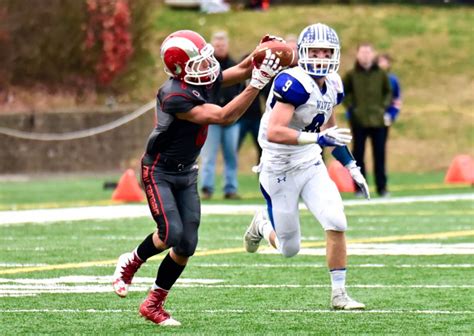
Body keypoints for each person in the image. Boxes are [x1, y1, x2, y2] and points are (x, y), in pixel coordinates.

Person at [112, 30, 282, 327]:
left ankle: (154, 303)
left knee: (187, 244)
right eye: (199, 62)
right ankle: (131, 261)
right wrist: (257, 83)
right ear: (179, 69)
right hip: (160, 171)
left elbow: (241, 69)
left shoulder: (199, 77)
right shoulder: (174, 95)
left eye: (206, 59)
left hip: (187, 171)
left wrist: (264, 50)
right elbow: (223, 116)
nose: (208, 67)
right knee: (170, 234)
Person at [243, 23, 370, 310]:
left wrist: (351, 166)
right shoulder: (292, 82)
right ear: (303, 52)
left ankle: (339, 294)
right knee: (289, 249)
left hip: (310, 162)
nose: (322, 57)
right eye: (315, 51)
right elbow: (275, 130)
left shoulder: (334, 84)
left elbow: (330, 131)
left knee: (337, 220)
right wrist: (318, 137)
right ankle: (262, 224)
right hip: (278, 168)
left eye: (326, 52)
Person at [342, 43, 392, 197]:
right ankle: (359, 188)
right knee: (358, 156)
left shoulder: (381, 74)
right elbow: (344, 93)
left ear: (373, 54)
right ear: (357, 55)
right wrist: (353, 108)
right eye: (362, 52)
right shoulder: (351, 75)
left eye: (368, 52)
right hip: (359, 121)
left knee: (380, 155)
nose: (365, 55)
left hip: (378, 121)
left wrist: (382, 107)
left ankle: (382, 188)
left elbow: (388, 92)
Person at [200, 31, 242, 200]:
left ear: (227, 45)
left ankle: (230, 188)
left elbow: (241, 91)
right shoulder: (206, 66)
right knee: (208, 156)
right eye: (217, 45)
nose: (220, 47)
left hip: (231, 121)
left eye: (222, 45)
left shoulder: (234, 65)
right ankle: (206, 188)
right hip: (212, 119)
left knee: (231, 156)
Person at [377, 53, 402, 128]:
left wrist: (391, 115)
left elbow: (396, 100)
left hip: (385, 118)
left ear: (389, 64)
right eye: (380, 61)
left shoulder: (393, 80)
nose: (381, 64)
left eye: (384, 61)